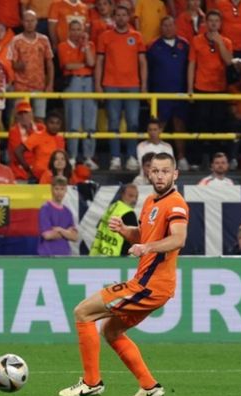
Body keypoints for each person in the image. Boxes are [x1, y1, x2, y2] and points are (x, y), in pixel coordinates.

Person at [59, 152, 189, 396]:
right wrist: (126, 231)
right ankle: (150, 387)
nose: (160, 175)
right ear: (148, 173)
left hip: (150, 286)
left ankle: (91, 382)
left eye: (165, 171)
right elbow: (145, 235)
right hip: (150, 286)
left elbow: (178, 238)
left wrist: (147, 248)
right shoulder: (151, 201)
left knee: (83, 312)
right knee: (111, 331)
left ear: (175, 174)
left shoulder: (175, 203)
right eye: (155, 170)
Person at [96, 5, 147, 171]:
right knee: (113, 123)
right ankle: (115, 157)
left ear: (129, 17)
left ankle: (132, 156)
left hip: (132, 85)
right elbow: (100, 62)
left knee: (133, 122)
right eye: (117, 15)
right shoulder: (105, 36)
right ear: (114, 17)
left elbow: (142, 63)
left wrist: (144, 86)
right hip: (111, 85)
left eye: (124, 15)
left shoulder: (137, 36)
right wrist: (98, 85)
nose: (121, 18)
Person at [147, 17, 190, 170]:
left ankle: (182, 158)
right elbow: (147, 70)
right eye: (165, 25)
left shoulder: (184, 44)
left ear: (175, 26)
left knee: (180, 125)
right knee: (159, 127)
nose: (168, 28)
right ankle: (155, 158)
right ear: (161, 27)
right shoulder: (153, 46)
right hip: (160, 93)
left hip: (180, 92)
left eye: (170, 25)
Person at [59, 19, 98, 170]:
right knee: (73, 123)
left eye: (79, 30)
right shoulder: (63, 46)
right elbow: (68, 65)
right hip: (72, 82)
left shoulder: (90, 45)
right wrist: (84, 65)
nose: (76, 33)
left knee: (90, 122)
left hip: (88, 82)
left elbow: (91, 62)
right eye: (73, 30)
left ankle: (88, 157)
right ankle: (73, 157)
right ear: (69, 31)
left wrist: (86, 45)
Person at [8, 10, 54, 119]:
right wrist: (18, 66)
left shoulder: (44, 39)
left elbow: (49, 63)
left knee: (40, 118)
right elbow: (11, 63)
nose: (29, 23)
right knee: (20, 118)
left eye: (32, 21)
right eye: (27, 21)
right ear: (22, 22)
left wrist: (50, 84)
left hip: (39, 85)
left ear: (36, 22)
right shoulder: (16, 40)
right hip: (21, 87)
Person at [90, 184, 139, 256]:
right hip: (117, 257)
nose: (134, 200)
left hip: (100, 253)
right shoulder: (129, 213)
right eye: (130, 196)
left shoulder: (112, 207)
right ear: (122, 195)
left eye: (136, 197)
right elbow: (133, 238)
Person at [15, 111, 66, 180]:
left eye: (58, 123)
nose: (55, 126)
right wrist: (28, 169)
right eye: (52, 123)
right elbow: (18, 151)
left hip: (55, 178)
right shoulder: (38, 136)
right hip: (38, 178)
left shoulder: (60, 139)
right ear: (45, 123)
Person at [37, 176, 78, 256]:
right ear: (52, 189)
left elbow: (74, 237)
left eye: (62, 189)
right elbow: (47, 235)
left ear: (66, 190)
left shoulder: (68, 212)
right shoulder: (45, 208)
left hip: (65, 256)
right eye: (57, 189)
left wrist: (59, 229)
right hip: (48, 255)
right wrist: (67, 233)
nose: (59, 192)